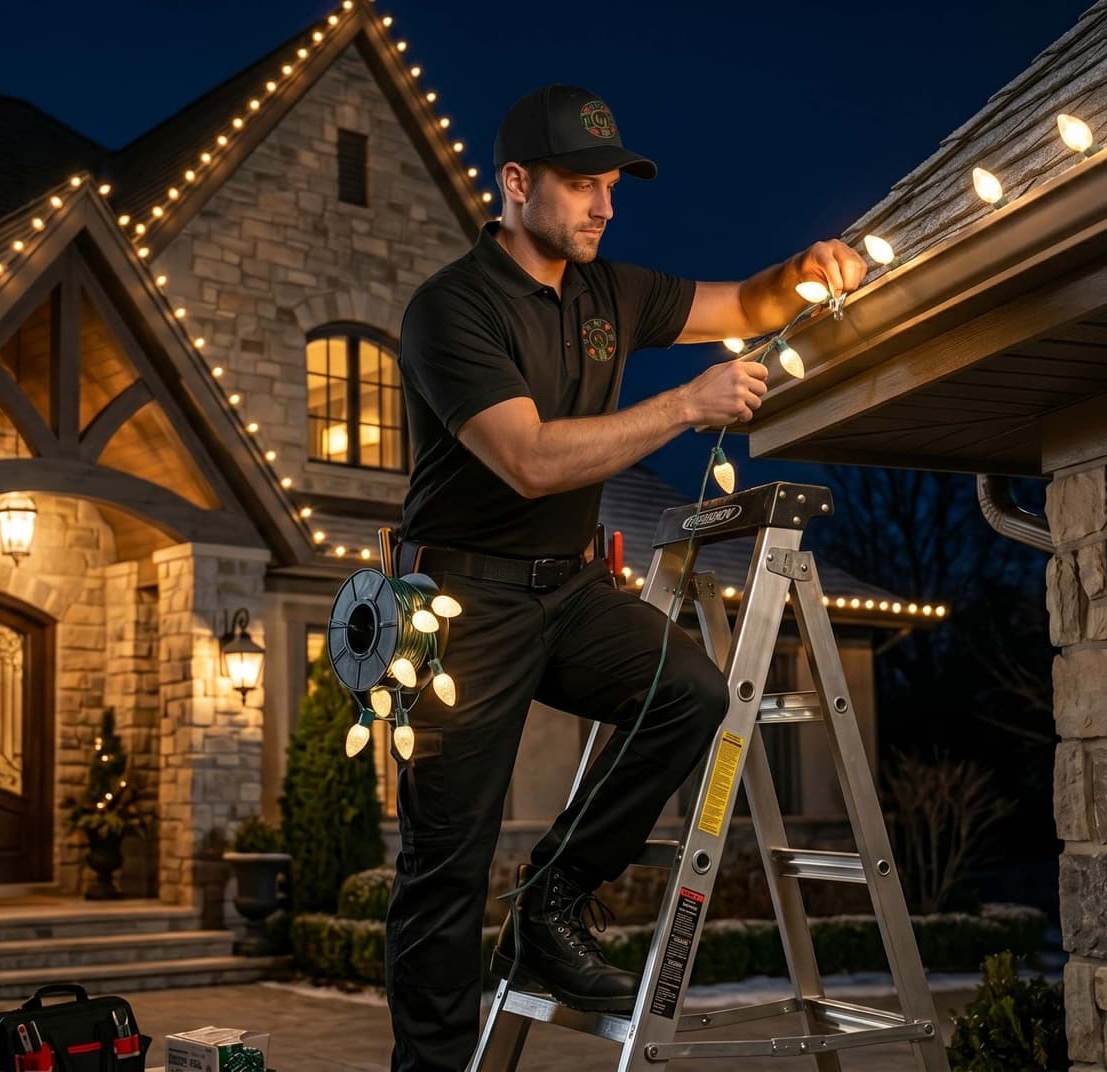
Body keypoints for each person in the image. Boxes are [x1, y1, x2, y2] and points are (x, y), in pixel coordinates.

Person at [383, 83, 867, 1071]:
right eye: (579, 185)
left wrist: (808, 265)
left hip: (566, 587)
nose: (604, 206)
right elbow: (529, 459)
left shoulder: (611, 292)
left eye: (611, 185)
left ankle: (554, 898)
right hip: (451, 606)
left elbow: (746, 301)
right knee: (443, 869)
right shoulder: (450, 309)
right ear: (515, 185)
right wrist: (688, 404)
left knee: (688, 691)